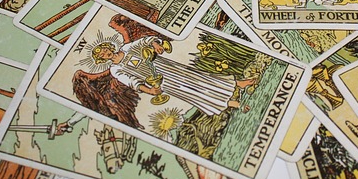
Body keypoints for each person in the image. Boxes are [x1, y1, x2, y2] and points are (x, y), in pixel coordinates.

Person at [91, 35, 254, 114]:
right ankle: (232, 104)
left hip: (167, 67)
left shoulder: (127, 48)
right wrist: (150, 90)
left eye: (104, 50)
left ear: (109, 47)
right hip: (161, 82)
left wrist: (155, 45)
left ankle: (238, 84)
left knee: (199, 78)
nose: (105, 53)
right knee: (191, 93)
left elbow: (144, 41)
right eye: (102, 55)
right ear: (102, 59)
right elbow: (131, 81)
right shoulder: (115, 69)